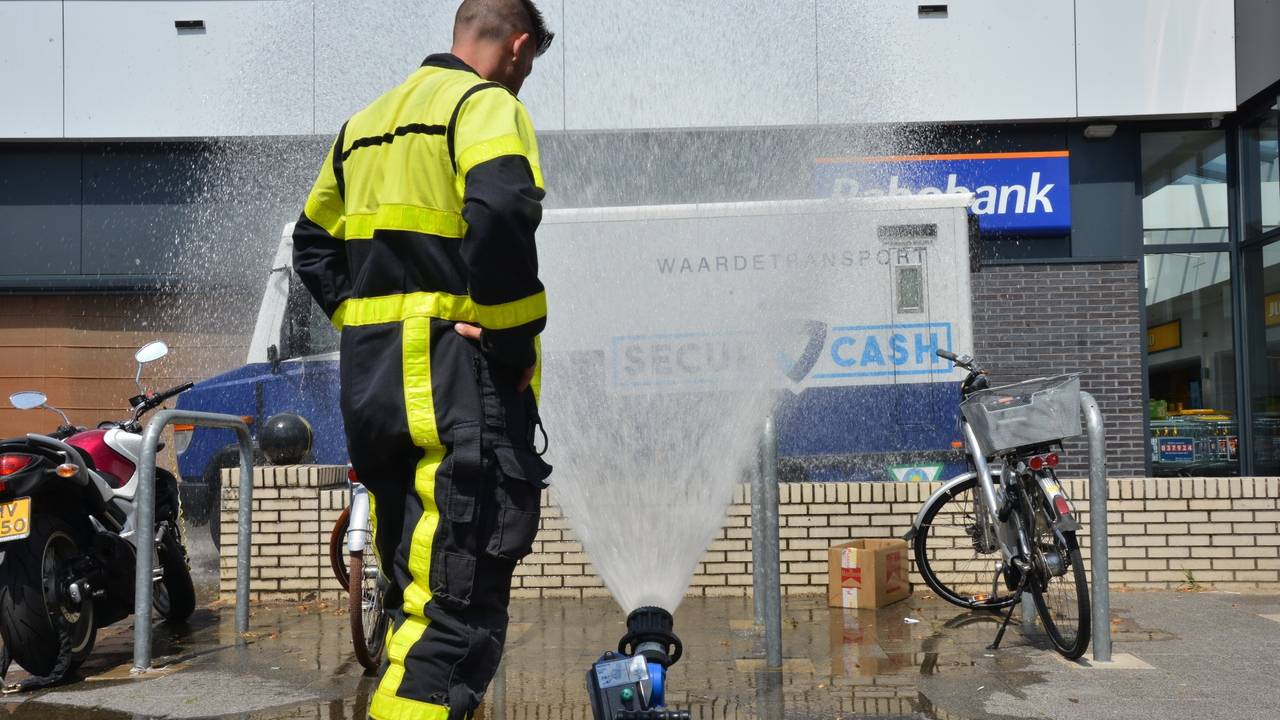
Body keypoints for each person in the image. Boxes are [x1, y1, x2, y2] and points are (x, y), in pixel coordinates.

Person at [292, 2, 554, 718]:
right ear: (517, 46)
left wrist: (368, 322)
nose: (523, 80)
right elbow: (500, 210)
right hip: (451, 394)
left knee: (416, 598)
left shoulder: (364, 125)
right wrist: (502, 336)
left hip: (377, 394)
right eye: (528, 67)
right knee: (453, 621)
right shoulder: (484, 105)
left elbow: (312, 245)